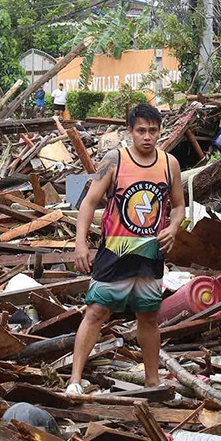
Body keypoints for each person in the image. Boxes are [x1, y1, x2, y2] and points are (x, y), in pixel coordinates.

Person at [69, 103, 184, 394]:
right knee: (96, 311)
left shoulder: (169, 164)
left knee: (148, 317)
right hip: (115, 251)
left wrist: (173, 228)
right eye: (141, 130)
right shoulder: (115, 160)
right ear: (130, 131)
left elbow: (179, 206)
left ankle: (152, 381)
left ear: (160, 132)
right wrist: (80, 243)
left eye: (153, 131)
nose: (147, 136)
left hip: (150, 253)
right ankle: (74, 380)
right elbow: (89, 202)